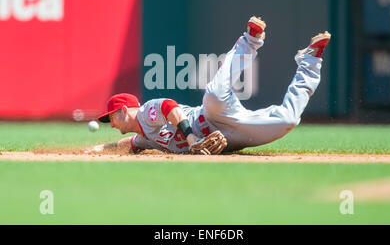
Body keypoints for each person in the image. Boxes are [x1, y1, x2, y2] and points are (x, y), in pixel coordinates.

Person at [85, 16, 331, 155]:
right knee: (286, 121)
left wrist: (191, 138)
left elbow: (170, 107)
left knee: (214, 92)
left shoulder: (147, 111)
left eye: (112, 119)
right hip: (230, 137)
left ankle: (250, 40)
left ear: (123, 110)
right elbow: (128, 145)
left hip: (211, 117)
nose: (112, 125)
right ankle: (310, 60)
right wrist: (96, 149)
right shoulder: (144, 135)